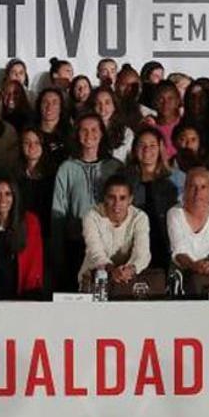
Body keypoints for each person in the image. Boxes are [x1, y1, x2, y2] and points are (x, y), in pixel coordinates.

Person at [50, 114, 122, 290]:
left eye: (94, 130)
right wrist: (58, 251)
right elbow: (58, 211)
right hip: (76, 244)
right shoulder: (67, 168)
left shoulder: (114, 167)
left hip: (109, 245)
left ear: (102, 133)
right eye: (84, 130)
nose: (89, 134)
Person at [78, 175, 150, 293]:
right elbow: (95, 253)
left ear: (130, 199)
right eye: (112, 197)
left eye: (122, 198)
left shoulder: (140, 218)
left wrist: (129, 270)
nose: (117, 203)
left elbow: (142, 254)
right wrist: (112, 271)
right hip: (94, 281)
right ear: (105, 198)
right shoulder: (91, 216)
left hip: (128, 282)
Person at [167, 167, 209, 281]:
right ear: (185, 189)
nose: (197, 192)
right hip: (183, 277)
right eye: (192, 186)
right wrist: (195, 266)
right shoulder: (174, 213)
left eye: (203, 187)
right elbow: (178, 252)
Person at [126, 127, 178, 267]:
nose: (147, 150)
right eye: (142, 145)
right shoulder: (125, 180)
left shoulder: (175, 180)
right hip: (132, 247)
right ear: (135, 149)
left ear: (160, 148)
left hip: (165, 245)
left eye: (152, 145)